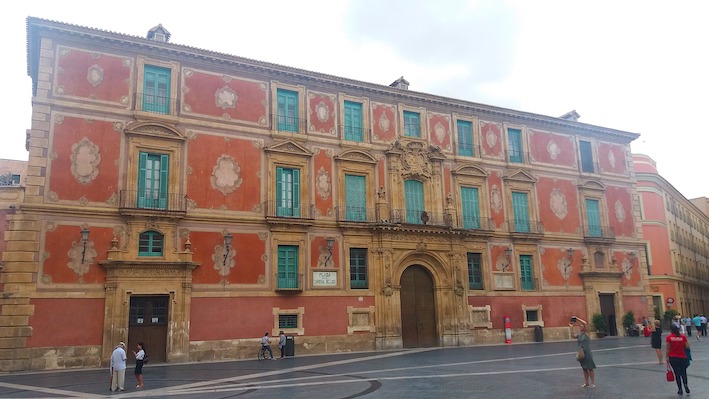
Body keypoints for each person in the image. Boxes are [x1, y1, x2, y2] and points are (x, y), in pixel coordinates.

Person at [570, 316, 596, 388]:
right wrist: (571, 327)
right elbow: (572, 335)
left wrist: (577, 318)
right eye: (580, 326)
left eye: (581, 326)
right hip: (581, 353)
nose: (580, 326)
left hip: (587, 353)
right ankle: (586, 383)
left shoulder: (587, 334)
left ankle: (592, 383)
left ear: (584, 327)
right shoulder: (579, 335)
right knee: (584, 368)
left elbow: (585, 323)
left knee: (590, 368)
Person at [666, 324, 690, 395]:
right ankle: (686, 385)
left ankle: (680, 389)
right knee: (684, 372)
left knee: (677, 373)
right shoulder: (683, 337)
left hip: (673, 357)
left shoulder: (669, 337)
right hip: (682, 357)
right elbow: (687, 346)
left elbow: (668, 348)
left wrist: (667, 357)